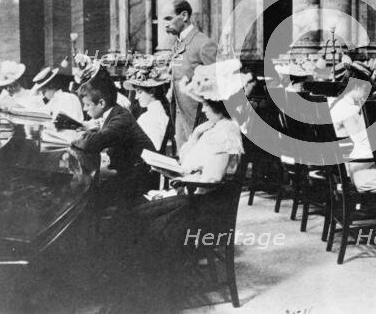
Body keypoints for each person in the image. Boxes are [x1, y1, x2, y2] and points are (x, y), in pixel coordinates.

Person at [130, 60, 246, 262]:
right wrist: (194, 137)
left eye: (206, 105)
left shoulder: (224, 133)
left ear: (219, 106)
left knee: (142, 220)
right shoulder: (215, 128)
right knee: (138, 213)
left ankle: (161, 278)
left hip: (204, 207)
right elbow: (191, 161)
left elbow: (212, 179)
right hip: (195, 198)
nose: (202, 111)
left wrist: (180, 178)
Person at [72, 73, 153, 207]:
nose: (85, 110)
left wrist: (74, 138)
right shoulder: (116, 113)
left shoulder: (121, 119)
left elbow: (91, 143)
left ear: (102, 103)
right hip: (129, 172)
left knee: (86, 195)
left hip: (138, 181)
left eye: (87, 105)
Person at [164, 0, 217, 148]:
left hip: (199, 118)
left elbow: (218, 86)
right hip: (180, 114)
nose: (165, 24)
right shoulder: (178, 44)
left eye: (169, 18)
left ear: (184, 16)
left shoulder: (204, 44)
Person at [329, 64, 376, 192]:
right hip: (349, 165)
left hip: (338, 161)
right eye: (366, 89)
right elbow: (361, 139)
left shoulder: (340, 103)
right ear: (356, 87)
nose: (367, 94)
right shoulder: (349, 109)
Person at [123, 58, 170, 152]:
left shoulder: (152, 117)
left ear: (152, 91)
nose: (136, 97)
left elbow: (152, 149)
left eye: (139, 92)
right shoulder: (155, 113)